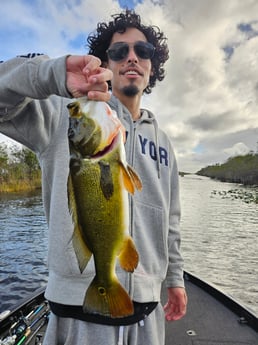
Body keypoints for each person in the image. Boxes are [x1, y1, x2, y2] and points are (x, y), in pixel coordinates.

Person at [0, 9, 187, 345]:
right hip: (79, 310)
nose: (132, 57)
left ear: (152, 65)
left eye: (142, 51)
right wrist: (53, 74)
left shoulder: (164, 143)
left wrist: (174, 277)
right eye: (119, 52)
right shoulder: (66, 111)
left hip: (149, 312)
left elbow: (170, 217)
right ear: (105, 64)